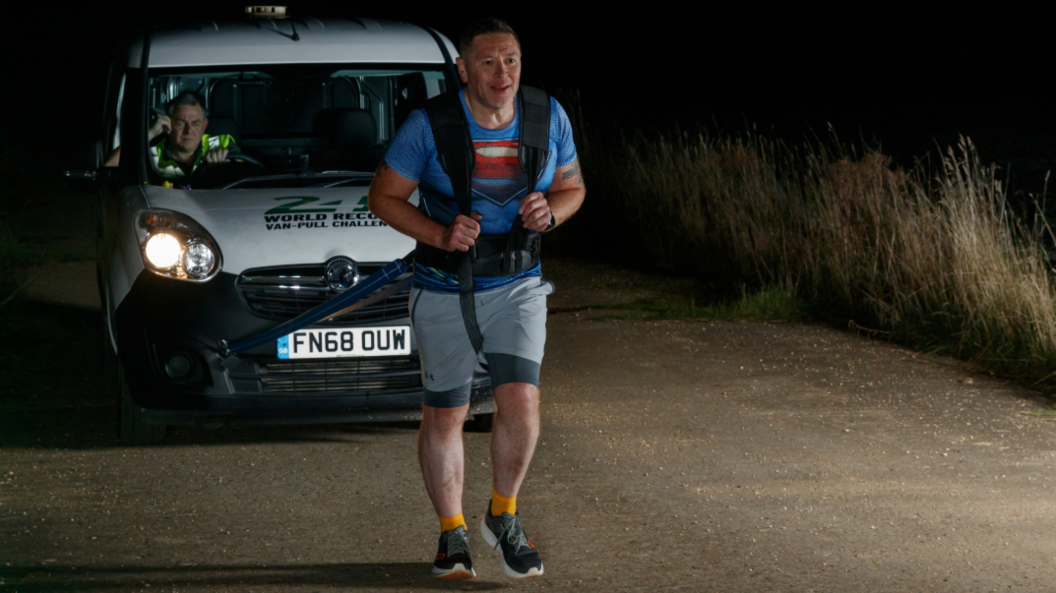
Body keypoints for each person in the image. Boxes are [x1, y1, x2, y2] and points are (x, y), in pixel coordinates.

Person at [368, 17, 585, 580]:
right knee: (447, 415)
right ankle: (452, 534)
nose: (501, 73)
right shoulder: (429, 126)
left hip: (518, 285)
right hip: (444, 288)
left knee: (521, 400)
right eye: (487, 62)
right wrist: (438, 234)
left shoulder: (546, 115)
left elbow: (573, 186)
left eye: (510, 59)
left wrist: (552, 212)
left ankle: (503, 516)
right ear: (463, 68)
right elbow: (383, 197)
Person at [103, 92, 236, 178]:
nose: (188, 131)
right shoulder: (153, 151)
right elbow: (109, 165)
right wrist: (150, 133)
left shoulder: (220, 142)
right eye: (180, 123)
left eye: (195, 123)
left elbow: (247, 170)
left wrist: (224, 164)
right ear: (168, 124)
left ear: (205, 125)